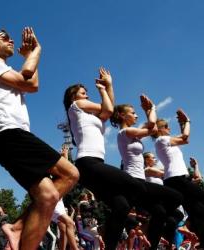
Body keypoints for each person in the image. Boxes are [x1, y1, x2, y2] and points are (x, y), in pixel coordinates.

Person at [0, 27, 79, 250]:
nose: (11, 40)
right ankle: (16, 227)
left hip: (11, 135)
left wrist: (29, 57)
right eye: (4, 38)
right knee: (70, 173)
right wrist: (36, 51)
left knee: (48, 195)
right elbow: (25, 76)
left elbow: (32, 85)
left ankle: (16, 229)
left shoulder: (4, 68)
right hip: (7, 133)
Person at [63, 71, 147, 249]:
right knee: (135, 185)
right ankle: (103, 229)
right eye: (82, 91)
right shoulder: (76, 106)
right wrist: (104, 88)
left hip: (95, 165)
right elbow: (108, 109)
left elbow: (107, 111)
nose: (85, 93)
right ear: (73, 96)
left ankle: (109, 243)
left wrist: (109, 86)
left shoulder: (91, 116)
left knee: (122, 206)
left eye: (86, 91)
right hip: (87, 162)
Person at [110, 95, 183, 249]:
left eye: (137, 112)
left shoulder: (134, 133)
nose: (136, 115)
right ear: (123, 115)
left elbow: (153, 128)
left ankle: (152, 246)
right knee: (176, 196)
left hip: (140, 181)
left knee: (160, 212)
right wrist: (151, 109)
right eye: (133, 112)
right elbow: (151, 125)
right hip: (133, 180)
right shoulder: (125, 132)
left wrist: (149, 111)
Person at [153, 110, 204, 247]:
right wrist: (187, 121)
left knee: (197, 210)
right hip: (176, 178)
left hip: (177, 179)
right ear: (161, 129)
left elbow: (182, 138)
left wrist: (182, 124)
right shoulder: (161, 140)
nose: (169, 128)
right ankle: (184, 228)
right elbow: (185, 138)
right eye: (167, 126)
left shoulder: (165, 142)